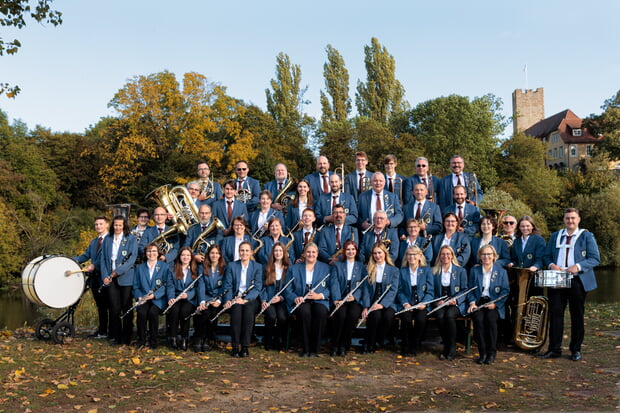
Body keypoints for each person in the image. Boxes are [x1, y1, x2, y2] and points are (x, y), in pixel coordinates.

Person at [541, 208, 600, 361]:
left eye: (573, 218)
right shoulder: (556, 236)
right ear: (564, 220)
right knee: (555, 314)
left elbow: (595, 258)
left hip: (577, 280)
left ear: (578, 219)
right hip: (557, 278)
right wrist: (552, 265)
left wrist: (578, 267)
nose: (570, 221)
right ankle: (554, 349)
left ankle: (575, 350)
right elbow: (546, 256)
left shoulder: (586, 236)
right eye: (567, 218)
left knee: (577, 316)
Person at [284, 242, 331, 357]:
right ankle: (305, 348)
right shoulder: (294, 269)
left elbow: (331, 287)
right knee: (304, 313)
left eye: (313, 252)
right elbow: (287, 289)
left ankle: (315, 349)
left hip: (319, 300)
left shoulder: (326, 268)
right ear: (304, 254)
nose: (311, 254)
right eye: (308, 252)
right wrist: (295, 298)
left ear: (317, 254)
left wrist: (320, 295)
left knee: (320, 313)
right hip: (301, 300)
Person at [466, 245, 509, 364]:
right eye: (484, 254)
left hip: (493, 302)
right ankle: (482, 353)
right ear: (480, 256)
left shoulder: (501, 272)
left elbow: (505, 291)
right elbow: (470, 289)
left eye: (489, 254)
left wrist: (495, 304)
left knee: (491, 321)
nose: (486, 257)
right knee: (478, 320)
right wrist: (472, 302)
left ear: (494, 256)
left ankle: (491, 353)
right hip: (478, 301)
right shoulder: (474, 271)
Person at [99, 215, 138, 346]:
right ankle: (116, 336)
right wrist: (105, 275)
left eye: (120, 225)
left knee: (126, 307)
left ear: (124, 226)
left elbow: (132, 259)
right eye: (115, 225)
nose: (117, 227)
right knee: (114, 308)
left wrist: (118, 272)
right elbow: (103, 259)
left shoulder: (131, 239)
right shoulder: (108, 239)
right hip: (110, 279)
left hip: (126, 278)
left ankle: (126, 337)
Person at [222, 241, 263, 357]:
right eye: (242, 250)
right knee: (236, 312)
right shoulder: (232, 266)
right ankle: (235, 346)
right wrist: (229, 300)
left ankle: (245, 346)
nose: (244, 253)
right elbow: (228, 286)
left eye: (247, 250)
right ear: (239, 252)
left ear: (251, 252)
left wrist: (246, 300)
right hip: (236, 298)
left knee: (248, 312)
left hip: (251, 299)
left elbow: (258, 287)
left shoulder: (257, 267)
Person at [73, 215, 110, 339]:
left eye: (101, 224)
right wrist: (70, 261)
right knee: (100, 305)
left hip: (106, 277)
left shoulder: (111, 240)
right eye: (96, 224)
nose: (98, 226)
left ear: (106, 225)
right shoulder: (94, 241)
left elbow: (108, 258)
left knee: (109, 305)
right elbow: (85, 255)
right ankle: (102, 330)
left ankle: (110, 331)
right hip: (95, 279)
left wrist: (95, 265)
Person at [359, 243, 400, 354]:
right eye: (375, 253)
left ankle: (378, 340)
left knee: (388, 316)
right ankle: (370, 344)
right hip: (373, 301)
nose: (377, 256)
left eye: (379, 253)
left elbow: (393, 290)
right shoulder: (369, 269)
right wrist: (366, 306)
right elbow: (366, 290)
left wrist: (382, 305)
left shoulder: (394, 270)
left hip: (388, 302)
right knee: (375, 316)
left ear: (385, 253)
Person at [330, 240, 366, 356]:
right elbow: (334, 283)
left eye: (353, 249)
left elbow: (363, 285)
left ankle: (345, 345)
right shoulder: (338, 265)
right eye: (348, 249)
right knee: (340, 315)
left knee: (352, 316)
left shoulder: (361, 267)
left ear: (356, 251)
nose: (351, 252)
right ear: (344, 251)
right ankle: (335, 345)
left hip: (354, 300)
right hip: (340, 298)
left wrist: (355, 297)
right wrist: (336, 299)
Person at [431, 245, 468, 360]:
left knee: (449, 316)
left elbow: (465, 289)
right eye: (443, 254)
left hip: (455, 302)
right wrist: (437, 301)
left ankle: (451, 347)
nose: (445, 256)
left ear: (452, 256)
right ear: (439, 256)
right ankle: (446, 345)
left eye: (448, 254)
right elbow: (431, 290)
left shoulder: (460, 270)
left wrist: (456, 300)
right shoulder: (434, 271)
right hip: (441, 302)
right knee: (440, 316)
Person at [397, 245, 434, 356]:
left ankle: (415, 345)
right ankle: (405, 346)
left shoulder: (426, 270)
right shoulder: (402, 271)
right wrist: (405, 303)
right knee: (406, 320)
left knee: (421, 320)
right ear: (406, 256)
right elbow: (399, 291)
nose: (412, 257)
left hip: (421, 304)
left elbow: (430, 291)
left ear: (419, 256)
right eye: (409, 254)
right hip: (407, 303)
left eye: (414, 254)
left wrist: (424, 303)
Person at [133, 242, 170, 349]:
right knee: (141, 312)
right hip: (144, 299)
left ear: (158, 253)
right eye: (149, 251)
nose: (151, 253)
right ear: (145, 253)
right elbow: (136, 286)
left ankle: (153, 341)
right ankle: (141, 340)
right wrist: (139, 297)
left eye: (154, 251)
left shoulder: (164, 266)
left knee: (153, 313)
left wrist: (154, 295)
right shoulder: (139, 268)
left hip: (158, 299)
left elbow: (167, 284)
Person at [194, 244, 227, 352]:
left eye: (217, 253)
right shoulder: (202, 267)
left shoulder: (224, 268)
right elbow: (201, 285)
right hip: (206, 297)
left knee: (214, 312)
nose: (214, 255)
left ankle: (208, 339)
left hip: (218, 298)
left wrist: (219, 300)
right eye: (212, 253)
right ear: (208, 254)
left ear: (220, 255)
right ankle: (199, 338)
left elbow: (225, 286)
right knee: (205, 313)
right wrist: (202, 301)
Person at [166, 246, 198, 351]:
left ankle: (185, 339)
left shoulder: (195, 270)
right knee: (174, 311)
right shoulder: (173, 269)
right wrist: (171, 297)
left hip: (189, 299)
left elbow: (197, 287)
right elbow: (170, 285)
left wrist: (188, 295)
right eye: (183, 255)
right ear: (179, 256)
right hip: (176, 297)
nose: (185, 257)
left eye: (188, 255)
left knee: (185, 312)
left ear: (191, 257)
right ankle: (173, 338)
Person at [260, 242, 291, 351]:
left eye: (280, 251)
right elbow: (262, 286)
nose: (278, 253)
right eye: (276, 251)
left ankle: (279, 339)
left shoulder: (288, 268)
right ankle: (268, 339)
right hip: (269, 299)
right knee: (272, 316)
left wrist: (281, 298)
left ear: (284, 253)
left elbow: (290, 287)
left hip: (283, 300)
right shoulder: (266, 267)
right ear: (273, 253)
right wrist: (263, 300)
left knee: (282, 317)